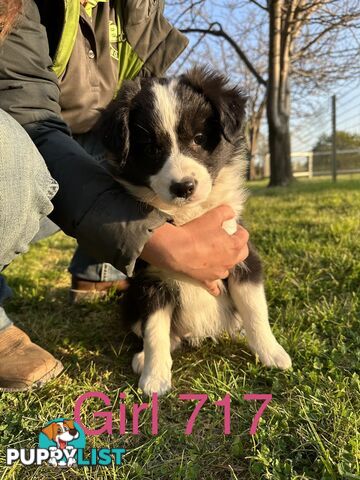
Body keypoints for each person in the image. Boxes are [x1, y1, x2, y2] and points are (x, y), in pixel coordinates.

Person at [0, 0, 250, 391]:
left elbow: (155, 111)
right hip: (26, 134)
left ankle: (97, 275)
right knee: (7, 153)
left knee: (135, 157)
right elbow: (31, 120)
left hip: (87, 138)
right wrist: (155, 238)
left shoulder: (136, 6)